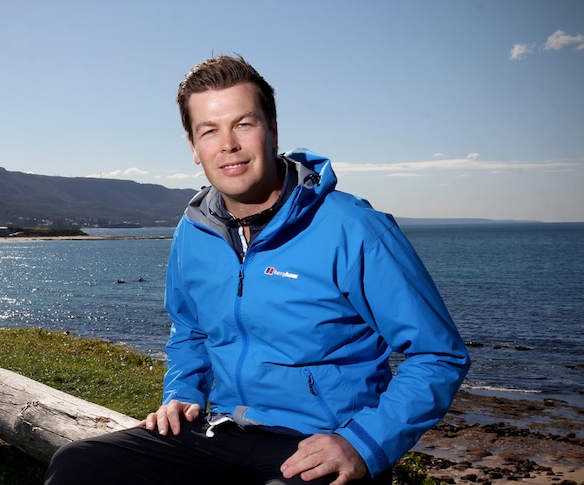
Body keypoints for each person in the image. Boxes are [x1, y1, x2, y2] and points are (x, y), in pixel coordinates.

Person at [44, 55, 470, 485]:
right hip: (224, 429)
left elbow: (438, 354)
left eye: (243, 124)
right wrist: (183, 392)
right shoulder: (194, 230)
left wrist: (363, 443)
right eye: (209, 130)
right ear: (194, 147)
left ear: (272, 131)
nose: (227, 144)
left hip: (321, 441)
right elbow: (190, 330)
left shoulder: (353, 228)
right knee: (77, 465)